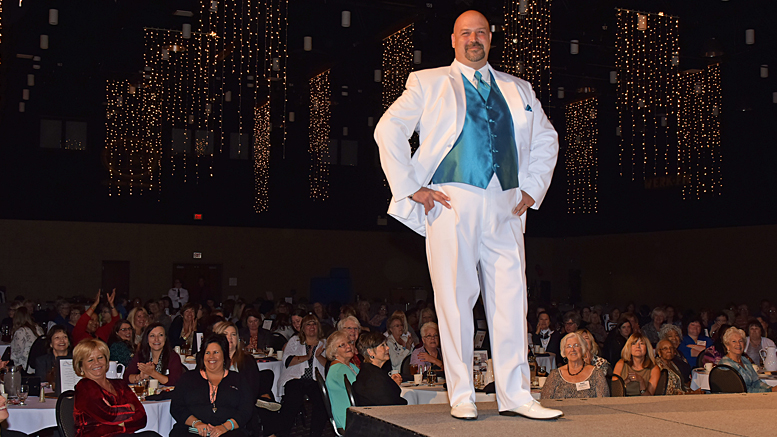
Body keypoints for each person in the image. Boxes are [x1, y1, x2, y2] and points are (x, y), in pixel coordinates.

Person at [375, 8, 560, 421]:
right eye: (465, 33)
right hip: (450, 198)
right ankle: (462, 394)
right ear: (453, 40)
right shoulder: (429, 81)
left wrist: (532, 187)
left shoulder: (519, 88)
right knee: (455, 299)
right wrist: (411, 186)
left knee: (513, 300)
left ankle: (516, 394)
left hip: (506, 202)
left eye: (480, 32)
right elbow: (388, 129)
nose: (473, 39)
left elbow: (547, 137)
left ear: (490, 38)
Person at [72, 338, 160, 437]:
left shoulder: (119, 384)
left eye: (100, 357)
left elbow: (142, 417)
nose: (97, 362)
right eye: (90, 360)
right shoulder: (85, 386)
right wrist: (129, 408)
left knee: (152, 435)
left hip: (122, 435)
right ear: (81, 367)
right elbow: (108, 415)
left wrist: (120, 423)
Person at [170, 334, 253, 437]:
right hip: (192, 431)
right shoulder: (187, 378)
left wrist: (225, 427)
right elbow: (176, 407)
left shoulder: (238, 380)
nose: (211, 357)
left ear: (224, 355)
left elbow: (246, 409)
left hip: (229, 432)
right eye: (207, 353)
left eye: (216, 352)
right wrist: (196, 423)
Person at [213, 321, 281, 434]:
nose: (230, 338)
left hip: (240, 406)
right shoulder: (210, 360)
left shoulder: (246, 361)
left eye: (233, 334)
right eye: (225, 334)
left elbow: (251, 392)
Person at [276, 315, 327, 437]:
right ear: (303, 328)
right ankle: (282, 433)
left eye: (314, 324)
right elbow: (287, 361)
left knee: (322, 402)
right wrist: (307, 357)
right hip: (295, 378)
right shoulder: (295, 341)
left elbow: (328, 365)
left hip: (315, 380)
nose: (311, 327)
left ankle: (315, 434)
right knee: (292, 400)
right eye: (308, 324)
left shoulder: (324, 343)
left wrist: (319, 356)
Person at [540, 332, 609, 399]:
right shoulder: (555, 375)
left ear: (582, 349)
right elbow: (545, 402)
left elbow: (603, 403)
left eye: (576, 345)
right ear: (564, 351)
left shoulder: (596, 374)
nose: (572, 350)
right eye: (568, 346)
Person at [351, 332, 408, 407]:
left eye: (386, 345)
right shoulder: (373, 377)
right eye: (382, 345)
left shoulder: (371, 372)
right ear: (370, 352)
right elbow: (390, 403)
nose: (387, 348)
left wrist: (392, 383)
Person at [718, 327, 777, 393]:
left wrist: (771, 388)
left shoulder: (745, 360)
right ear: (727, 346)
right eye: (734, 341)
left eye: (740, 341)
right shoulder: (726, 365)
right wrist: (770, 390)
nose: (738, 344)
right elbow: (742, 390)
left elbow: (756, 382)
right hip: (735, 399)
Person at [325, 330, 360, 430]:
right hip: (349, 419)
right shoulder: (339, 369)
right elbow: (362, 390)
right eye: (342, 345)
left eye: (349, 342)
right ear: (334, 352)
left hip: (354, 414)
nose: (348, 346)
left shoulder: (349, 365)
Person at [10, 306, 45, 372]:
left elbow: (17, 353)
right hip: (38, 362)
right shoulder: (38, 328)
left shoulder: (21, 332)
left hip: (25, 365)